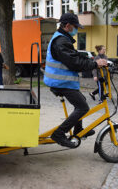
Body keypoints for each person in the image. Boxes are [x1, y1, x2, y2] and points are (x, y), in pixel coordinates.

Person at [44, 13, 107, 148]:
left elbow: (75, 56)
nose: (77, 29)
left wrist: (92, 60)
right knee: (83, 107)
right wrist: (95, 64)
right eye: (75, 26)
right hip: (60, 82)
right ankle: (59, 134)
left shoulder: (63, 39)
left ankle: (79, 130)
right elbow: (75, 63)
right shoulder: (61, 41)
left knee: (82, 101)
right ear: (67, 26)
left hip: (63, 81)